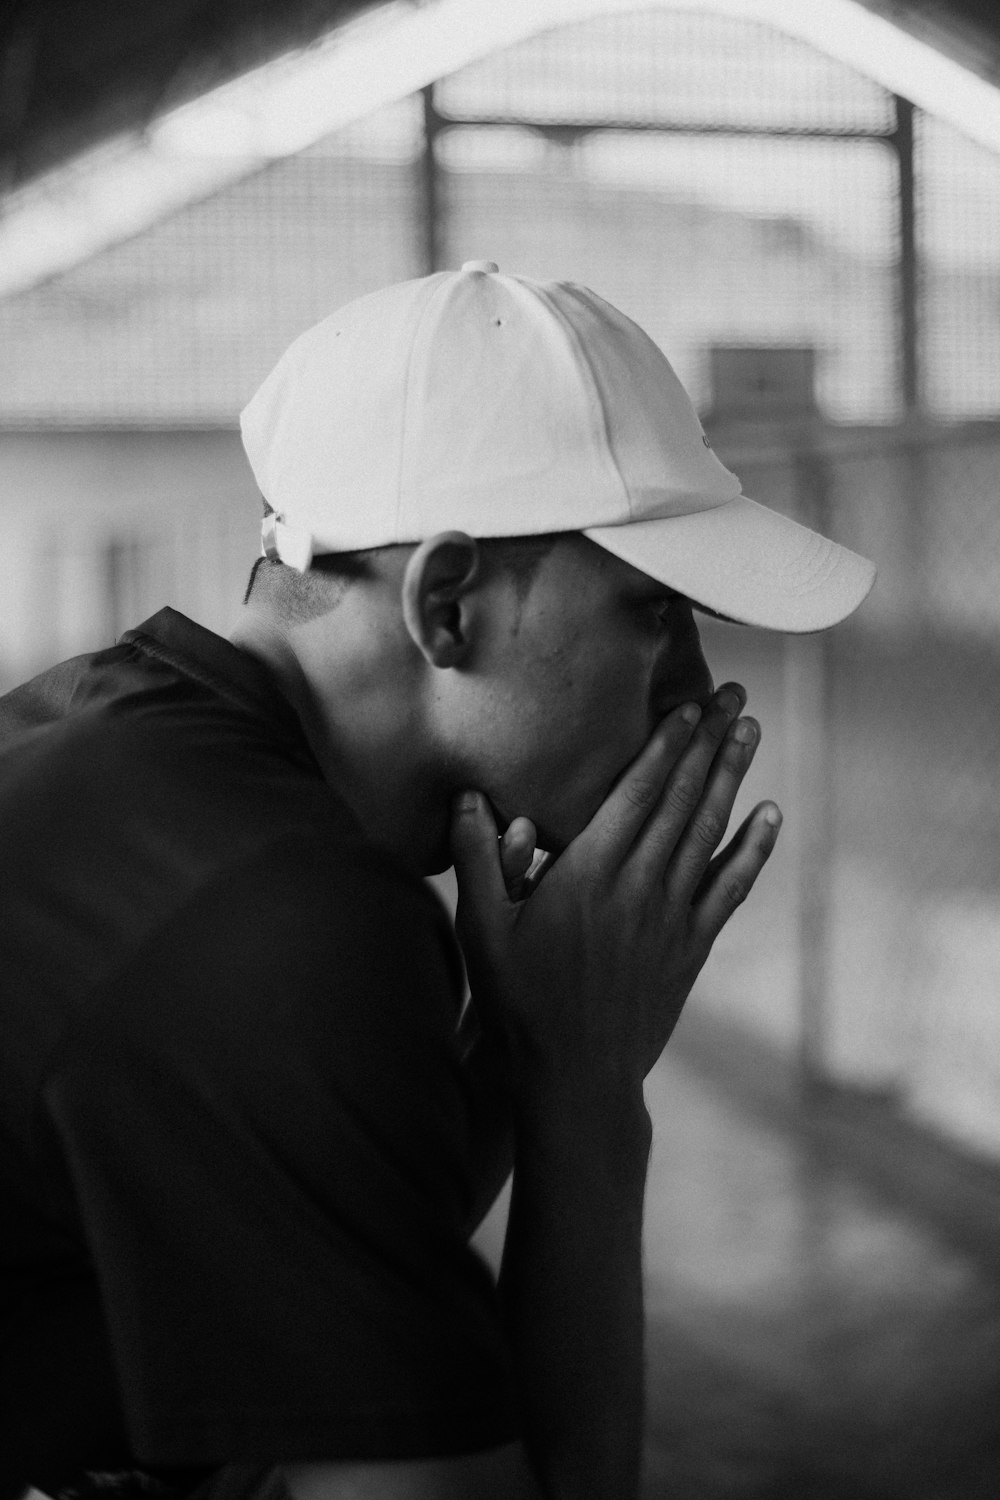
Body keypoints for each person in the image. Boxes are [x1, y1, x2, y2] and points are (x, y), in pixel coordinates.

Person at [0, 261, 875, 1500]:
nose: (690, 685)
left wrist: (522, 1055)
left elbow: (335, 1243)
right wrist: (578, 1086)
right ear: (446, 604)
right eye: (653, 612)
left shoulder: (115, 736)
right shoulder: (272, 920)